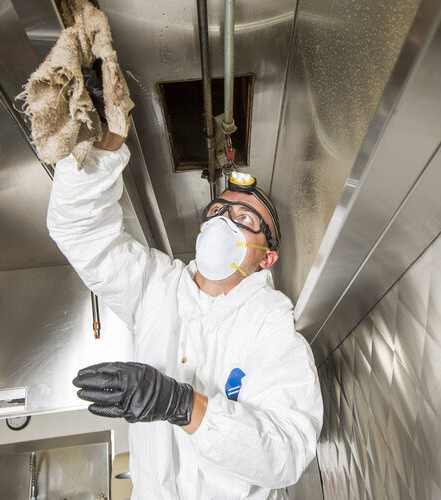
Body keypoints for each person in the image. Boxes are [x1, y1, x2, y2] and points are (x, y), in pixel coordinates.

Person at [46, 125, 323, 499]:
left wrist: (182, 405)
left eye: (245, 218)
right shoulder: (154, 289)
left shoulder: (273, 333)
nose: (224, 221)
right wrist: (101, 147)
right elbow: (80, 233)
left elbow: (286, 455)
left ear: (267, 258)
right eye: (217, 211)